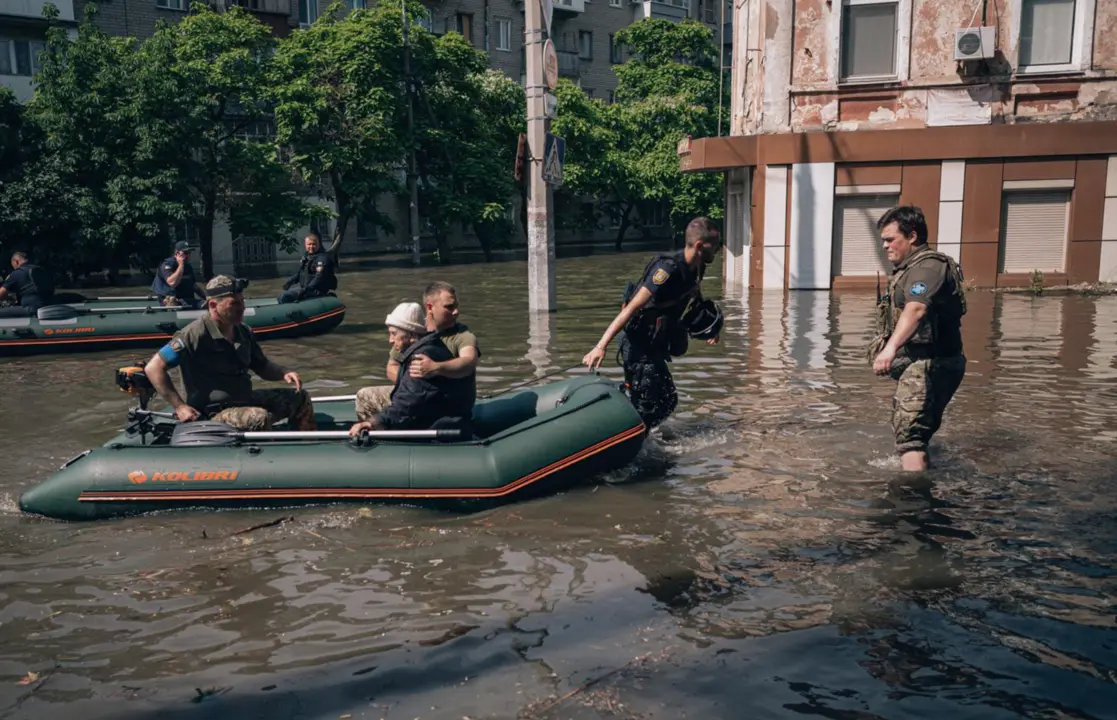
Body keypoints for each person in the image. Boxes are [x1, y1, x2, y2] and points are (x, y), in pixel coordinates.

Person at [582, 217, 723, 429]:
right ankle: (624, 437)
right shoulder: (667, 269)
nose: (719, 249)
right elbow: (631, 308)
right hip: (637, 343)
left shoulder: (698, 266)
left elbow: (693, 291)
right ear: (700, 246)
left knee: (668, 400)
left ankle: (642, 433)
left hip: (656, 342)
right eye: (716, 245)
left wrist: (710, 328)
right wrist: (600, 346)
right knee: (647, 406)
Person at [144, 275, 317, 431]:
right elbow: (154, 368)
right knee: (258, 417)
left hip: (243, 400)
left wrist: (284, 372)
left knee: (300, 397)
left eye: (242, 301)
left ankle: (307, 444)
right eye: (234, 304)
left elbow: (262, 366)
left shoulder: (243, 331)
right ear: (213, 305)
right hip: (211, 412)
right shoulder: (194, 334)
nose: (242, 308)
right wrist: (180, 407)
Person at [868, 205, 967, 472]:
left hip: (933, 363)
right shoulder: (911, 268)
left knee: (910, 437)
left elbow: (916, 309)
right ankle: (924, 475)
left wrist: (889, 350)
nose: (885, 246)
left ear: (912, 236)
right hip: (922, 363)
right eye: (883, 240)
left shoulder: (929, 268)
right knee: (913, 432)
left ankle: (912, 494)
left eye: (890, 239)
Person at [354, 281, 481, 421]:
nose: (456, 311)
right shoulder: (413, 329)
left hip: (448, 401)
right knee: (365, 395)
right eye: (449, 307)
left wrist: (436, 368)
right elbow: (392, 366)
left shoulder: (463, 336)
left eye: (456, 306)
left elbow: (469, 363)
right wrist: (414, 383)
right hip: (417, 392)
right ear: (430, 307)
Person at [348, 301, 474, 437]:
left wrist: (372, 423)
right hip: (442, 417)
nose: (390, 340)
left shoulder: (421, 359)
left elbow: (406, 405)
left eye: (394, 334)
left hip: (440, 428)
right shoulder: (429, 346)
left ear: (412, 336)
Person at [277, 233, 337, 304]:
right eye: (309, 244)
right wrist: (289, 282)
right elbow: (300, 274)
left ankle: (325, 297)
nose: (311, 246)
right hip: (307, 289)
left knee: (285, 296)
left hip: (317, 291)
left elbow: (319, 277)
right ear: (305, 245)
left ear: (318, 245)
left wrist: (306, 289)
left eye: (314, 244)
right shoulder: (307, 258)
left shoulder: (323, 259)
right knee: (281, 295)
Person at [151, 241, 206, 309]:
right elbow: (172, 283)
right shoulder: (168, 264)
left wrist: (206, 297)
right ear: (177, 253)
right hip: (171, 301)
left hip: (187, 300)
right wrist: (181, 265)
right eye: (185, 253)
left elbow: (194, 285)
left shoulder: (188, 266)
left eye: (189, 253)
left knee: (202, 303)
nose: (188, 256)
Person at [0, 252, 55, 318]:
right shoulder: (41, 270)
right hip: (49, 307)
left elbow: (1, 294)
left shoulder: (17, 273)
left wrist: (10, 298)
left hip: (32, 309)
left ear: (16, 262)